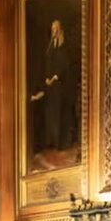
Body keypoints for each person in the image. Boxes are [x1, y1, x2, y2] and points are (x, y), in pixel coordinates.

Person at [29, 19, 79, 159]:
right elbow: (48, 63)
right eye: (52, 28)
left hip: (60, 85)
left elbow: (64, 64)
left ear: (60, 29)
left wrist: (55, 76)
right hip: (50, 86)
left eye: (56, 28)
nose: (54, 31)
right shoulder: (51, 46)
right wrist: (47, 77)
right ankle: (51, 141)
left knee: (60, 113)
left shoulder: (64, 46)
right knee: (50, 113)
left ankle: (60, 142)